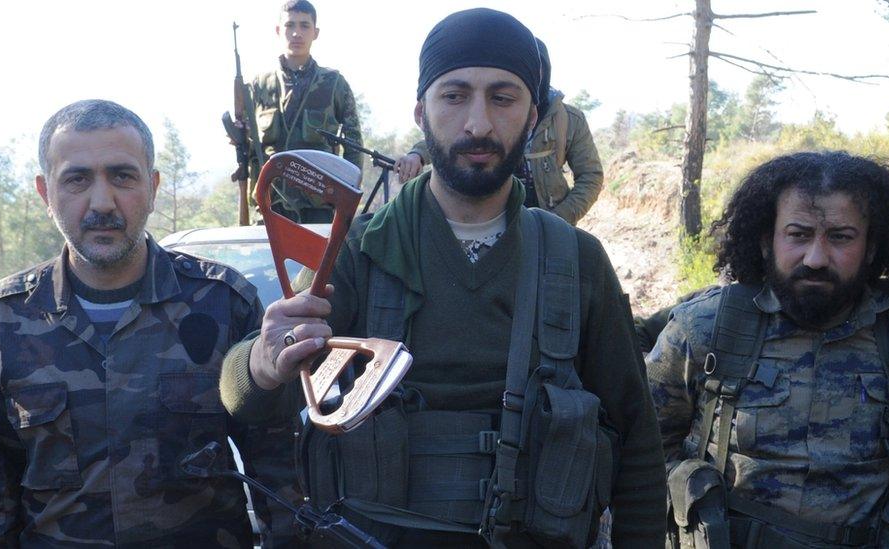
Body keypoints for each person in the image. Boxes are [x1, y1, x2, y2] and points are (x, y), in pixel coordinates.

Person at [220, 8, 666, 547]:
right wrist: (265, 361)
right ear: (421, 112)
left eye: (503, 98)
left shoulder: (576, 261)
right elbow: (242, 392)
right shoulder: (362, 250)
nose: (477, 123)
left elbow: (637, 443)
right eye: (454, 95)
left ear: (533, 118)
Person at [0, 99, 296, 547]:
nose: (102, 202)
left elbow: (278, 466)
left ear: (154, 186)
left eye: (122, 176)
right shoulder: (3, 321)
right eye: (77, 179)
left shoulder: (223, 304)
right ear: (46, 194)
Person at [647, 151, 889, 548]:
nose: (816, 258)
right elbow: (644, 442)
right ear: (767, 241)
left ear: (871, 247)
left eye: (840, 237)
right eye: (798, 234)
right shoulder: (706, 326)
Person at [395, 38, 604, 226]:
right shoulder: (486, 108)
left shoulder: (569, 119)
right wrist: (417, 155)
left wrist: (557, 220)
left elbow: (591, 176)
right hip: (492, 220)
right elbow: (454, 138)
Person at [251, 0, 363, 223]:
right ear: (278, 30)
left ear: (316, 32)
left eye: (304, 26)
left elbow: (353, 144)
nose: (296, 33)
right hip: (269, 204)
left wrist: (345, 194)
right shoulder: (260, 85)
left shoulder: (333, 83)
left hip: (318, 206)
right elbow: (249, 147)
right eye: (290, 25)